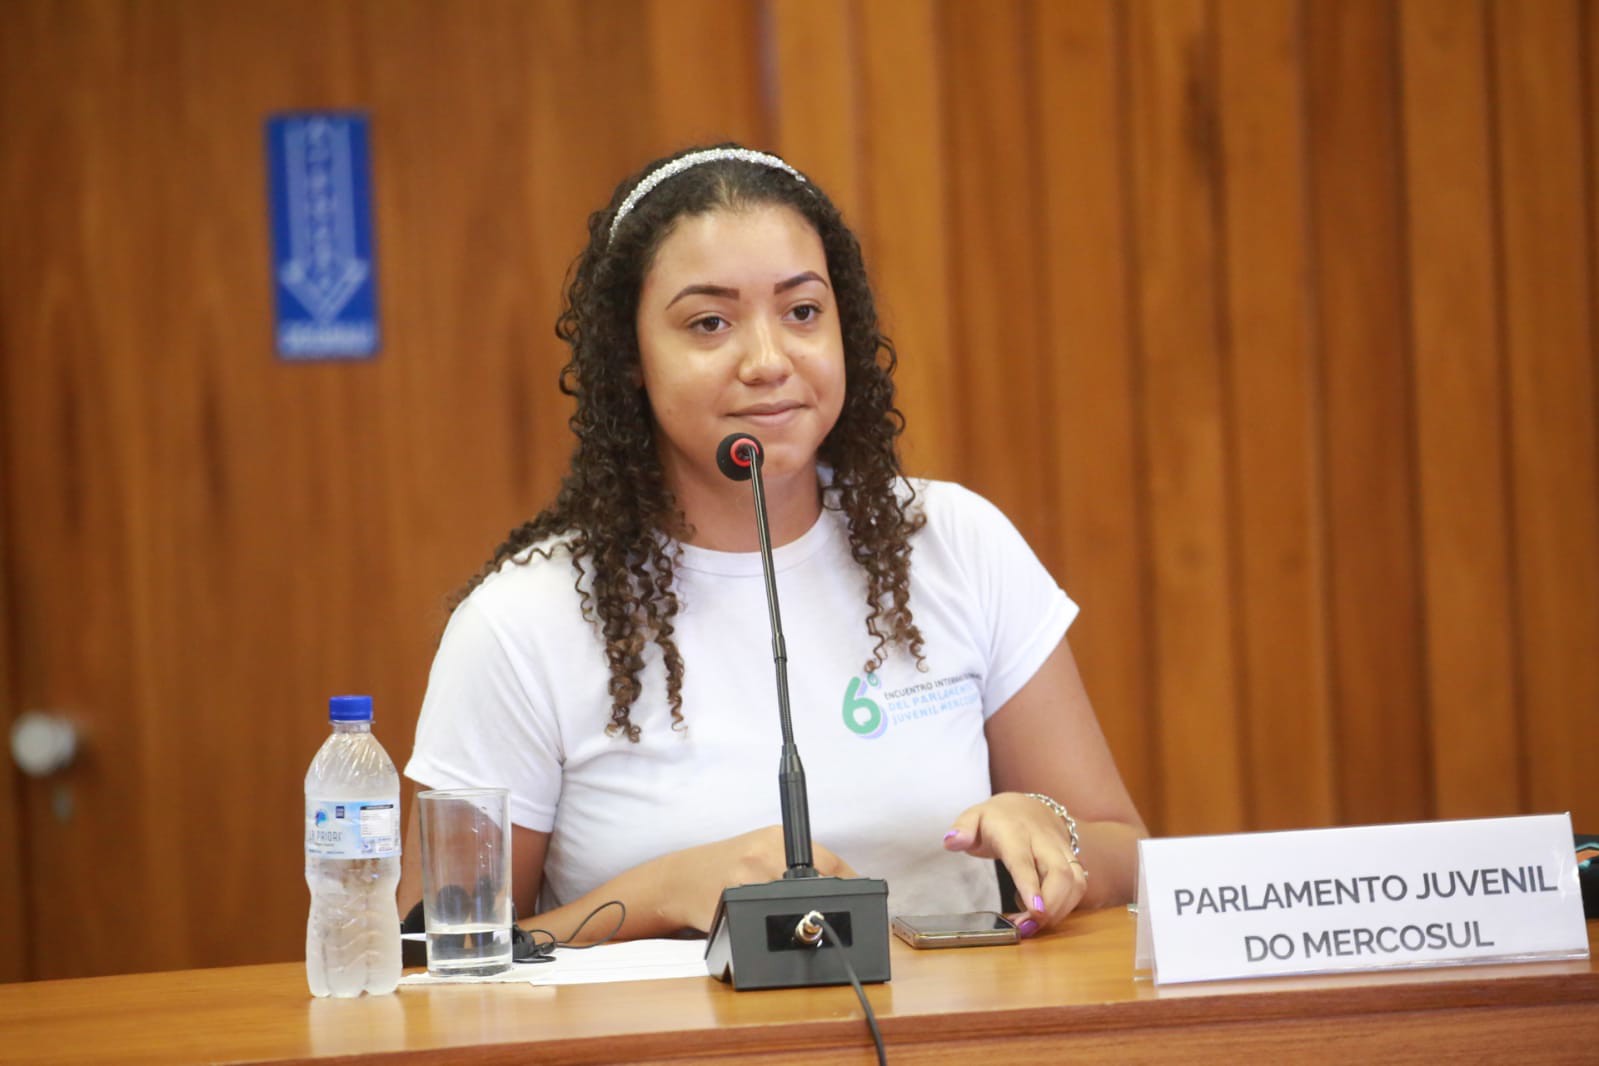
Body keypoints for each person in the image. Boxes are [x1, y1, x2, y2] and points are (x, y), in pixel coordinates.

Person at [399, 144, 1147, 943]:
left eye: (801, 313)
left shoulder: (954, 542)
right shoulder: (521, 621)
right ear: (628, 360)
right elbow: (431, 952)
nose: (768, 361)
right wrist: (658, 893)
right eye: (709, 323)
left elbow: (1122, 850)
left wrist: (1047, 830)